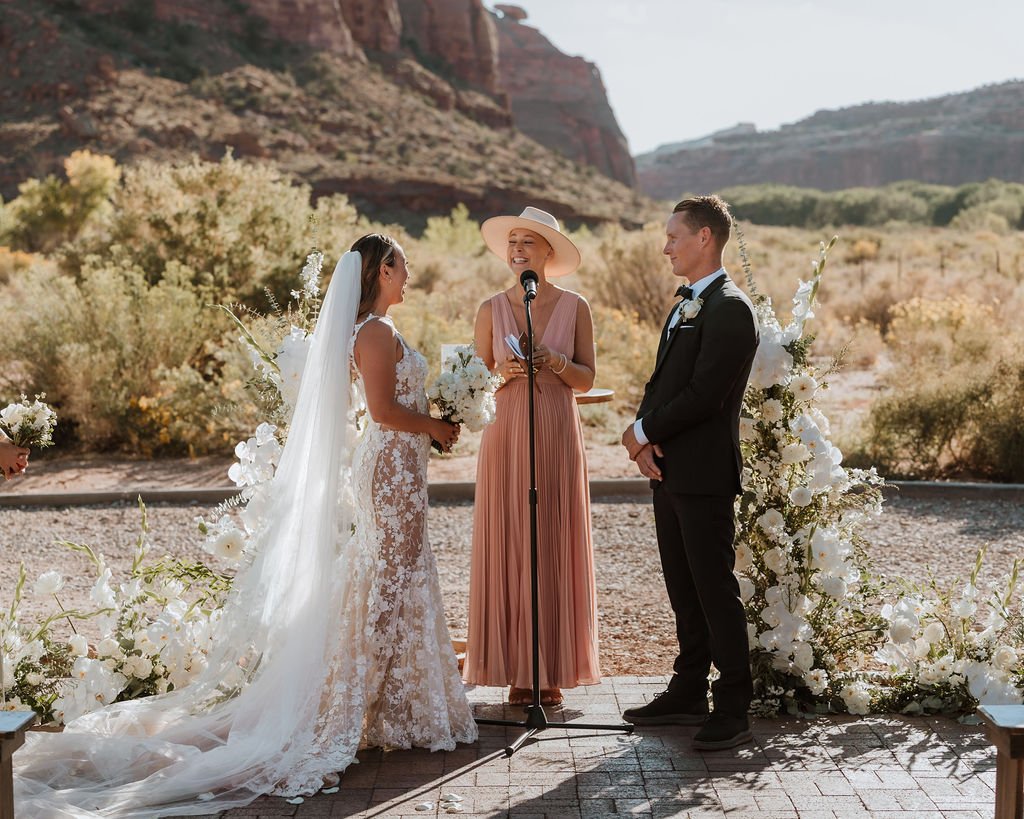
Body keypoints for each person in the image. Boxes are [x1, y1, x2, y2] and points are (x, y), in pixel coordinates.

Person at [14, 234, 477, 816]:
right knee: (389, 575)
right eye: (402, 266)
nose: (408, 276)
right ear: (383, 270)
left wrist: (437, 420)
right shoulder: (377, 333)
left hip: (397, 467)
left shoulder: (373, 330)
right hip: (390, 467)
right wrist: (433, 426)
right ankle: (356, 700)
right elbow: (383, 412)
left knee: (396, 573)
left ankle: (394, 703)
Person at [620, 196, 759, 751]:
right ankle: (687, 690)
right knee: (683, 587)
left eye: (674, 236)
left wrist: (643, 430)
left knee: (714, 588)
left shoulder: (730, 308)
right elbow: (666, 384)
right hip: (669, 468)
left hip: (703, 473)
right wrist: (644, 440)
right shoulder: (685, 306)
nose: (666, 246)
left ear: (705, 237)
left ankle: (734, 705)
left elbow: (706, 395)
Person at [464, 206, 600, 707]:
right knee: (513, 535)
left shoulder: (575, 306)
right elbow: (474, 384)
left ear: (549, 253)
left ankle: (552, 668)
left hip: (558, 432)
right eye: (513, 242)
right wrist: (502, 372)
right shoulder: (489, 309)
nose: (518, 249)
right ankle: (516, 668)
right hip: (507, 433)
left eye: (529, 242)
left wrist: (557, 362)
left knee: (552, 536)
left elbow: (586, 377)